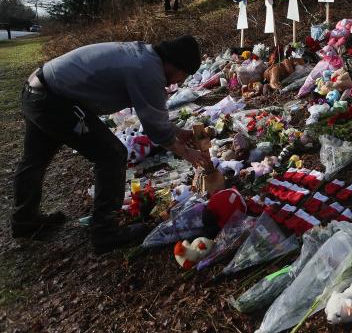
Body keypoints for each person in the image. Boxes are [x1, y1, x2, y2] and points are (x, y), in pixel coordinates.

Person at [12, 35, 209, 253]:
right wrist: (189, 154)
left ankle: (24, 219)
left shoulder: (144, 55)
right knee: (111, 154)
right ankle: (105, 231)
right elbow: (157, 129)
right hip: (54, 100)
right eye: (183, 75)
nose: (178, 82)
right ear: (175, 64)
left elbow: (154, 116)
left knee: (35, 159)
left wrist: (178, 133)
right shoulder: (148, 71)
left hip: (37, 90)